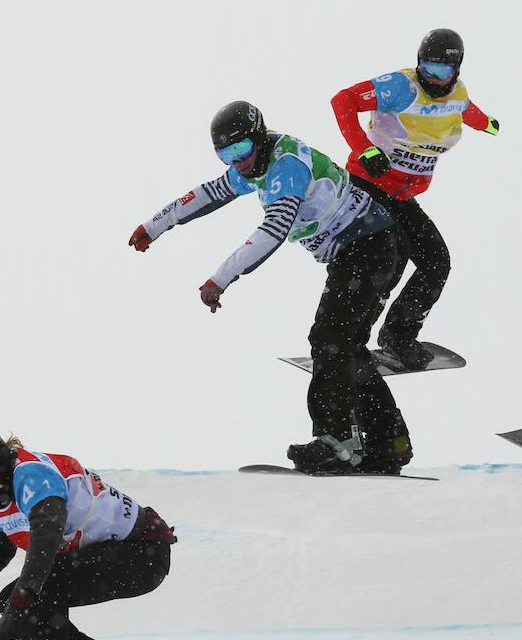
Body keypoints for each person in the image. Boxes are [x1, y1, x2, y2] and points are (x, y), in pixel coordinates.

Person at [128, 100, 412, 474]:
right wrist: (154, 226)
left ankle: (337, 441)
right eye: (225, 154)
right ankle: (389, 444)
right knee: (346, 345)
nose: (237, 162)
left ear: (258, 138)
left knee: (329, 338)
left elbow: (273, 230)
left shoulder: (286, 166)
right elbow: (208, 194)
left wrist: (220, 278)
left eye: (241, 150)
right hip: (368, 248)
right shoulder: (254, 166)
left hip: (369, 246)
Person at [0, 420, 176, 640]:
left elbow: (46, 536)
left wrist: (21, 603)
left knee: (30, 602)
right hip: (120, 553)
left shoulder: (31, 475)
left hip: (143, 555)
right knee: (17, 602)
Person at [330, 28, 500, 369]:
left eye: (442, 72)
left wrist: (489, 124)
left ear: (457, 70)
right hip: (368, 188)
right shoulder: (400, 86)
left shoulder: (456, 95)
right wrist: (364, 149)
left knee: (436, 261)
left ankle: (398, 336)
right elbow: (343, 100)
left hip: (402, 196)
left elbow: (465, 109)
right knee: (386, 261)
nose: (433, 78)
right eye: (427, 68)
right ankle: (349, 343)